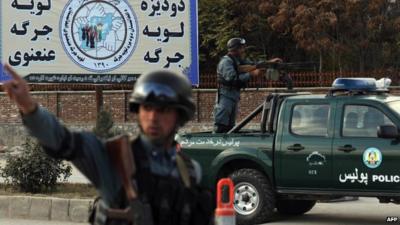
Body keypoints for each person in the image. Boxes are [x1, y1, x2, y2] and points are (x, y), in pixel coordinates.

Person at [2, 64, 213, 225]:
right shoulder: (114, 156)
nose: (153, 117)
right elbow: (62, 140)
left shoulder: (190, 170)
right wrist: (28, 106)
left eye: (164, 110)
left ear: (180, 116)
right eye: (147, 107)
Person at [213, 37, 282, 133]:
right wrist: (252, 74)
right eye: (241, 48)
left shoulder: (238, 60)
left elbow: (254, 64)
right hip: (225, 95)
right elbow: (233, 79)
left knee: (230, 127)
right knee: (221, 125)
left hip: (234, 95)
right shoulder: (226, 62)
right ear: (235, 49)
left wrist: (269, 63)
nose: (243, 50)